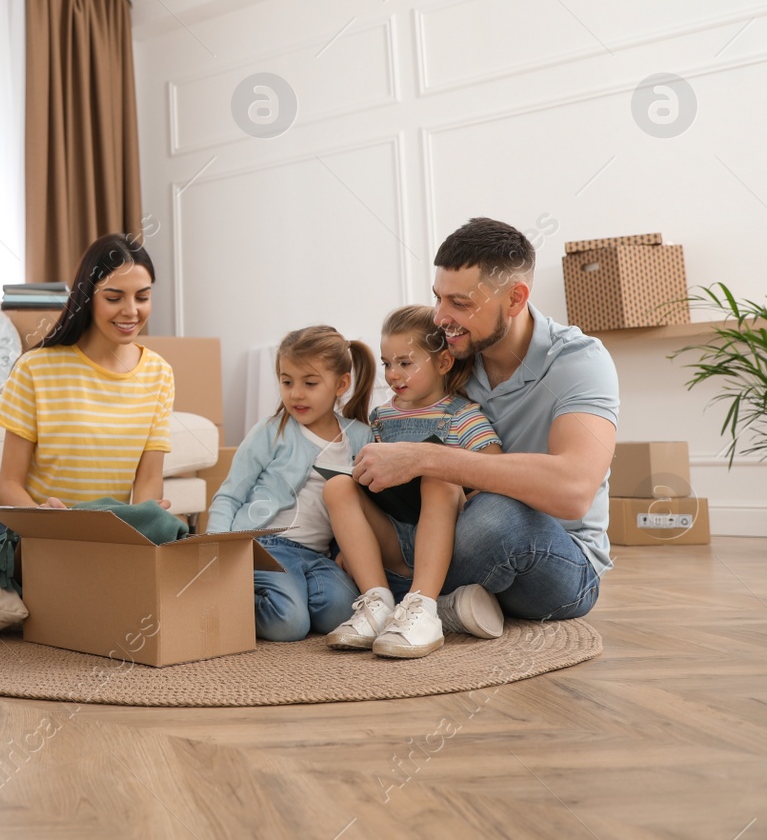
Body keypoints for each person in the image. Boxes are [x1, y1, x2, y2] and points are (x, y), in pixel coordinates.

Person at [351, 217, 619, 622]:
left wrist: (425, 458)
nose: (440, 316)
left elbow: (574, 489)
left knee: (495, 517)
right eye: (438, 298)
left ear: (515, 299)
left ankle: (400, 594)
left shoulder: (578, 361)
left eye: (460, 304)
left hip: (558, 561)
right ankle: (435, 603)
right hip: (454, 537)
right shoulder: (449, 360)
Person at [323, 306, 503, 658]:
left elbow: (494, 474)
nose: (392, 374)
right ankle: (376, 603)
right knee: (338, 486)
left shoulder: (463, 415)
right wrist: (349, 542)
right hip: (394, 537)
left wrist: (454, 484)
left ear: (443, 363)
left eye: (405, 363)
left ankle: (422, 605)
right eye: (387, 363)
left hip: (446, 543)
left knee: (438, 477)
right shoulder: (381, 417)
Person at [0, 233, 176, 548]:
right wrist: (47, 521)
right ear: (87, 297)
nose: (131, 311)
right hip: (30, 531)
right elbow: (7, 486)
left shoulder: (159, 373)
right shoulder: (35, 368)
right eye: (114, 298)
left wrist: (146, 517)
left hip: (102, 535)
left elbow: (149, 481)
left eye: (142, 297)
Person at [206, 326, 375, 642]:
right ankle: (229, 597)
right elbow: (229, 495)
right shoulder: (271, 431)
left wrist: (344, 551)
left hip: (317, 555)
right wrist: (218, 549)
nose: (296, 393)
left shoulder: (360, 436)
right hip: (265, 546)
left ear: (341, 384)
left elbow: (358, 506)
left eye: (310, 383)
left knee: (344, 611)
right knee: (289, 625)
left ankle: (289, 597)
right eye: (286, 382)